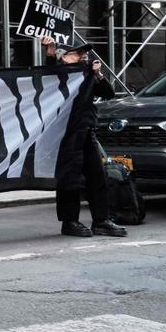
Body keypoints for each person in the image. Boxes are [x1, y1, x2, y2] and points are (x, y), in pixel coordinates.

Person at [41, 34, 127, 238]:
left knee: (97, 176)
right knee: (70, 179)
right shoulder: (59, 74)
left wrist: (98, 74)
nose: (83, 56)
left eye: (84, 53)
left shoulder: (86, 74)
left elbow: (107, 93)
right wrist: (51, 55)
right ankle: (70, 222)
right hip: (64, 134)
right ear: (63, 56)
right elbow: (48, 77)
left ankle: (101, 220)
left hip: (86, 130)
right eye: (77, 53)